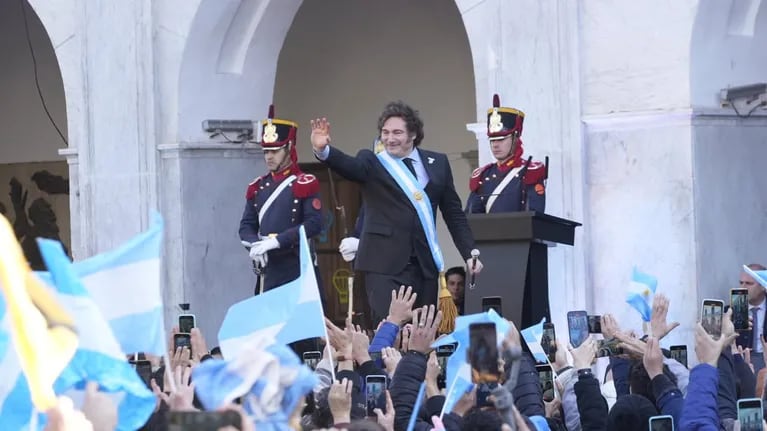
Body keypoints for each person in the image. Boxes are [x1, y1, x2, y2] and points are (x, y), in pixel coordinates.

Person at [311, 101, 483, 325]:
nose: (390, 138)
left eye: (397, 132)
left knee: (422, 334)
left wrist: (469, 252)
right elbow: (350, 167)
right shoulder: (372, 161)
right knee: (391, 331)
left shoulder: (437, 163)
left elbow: (453, 213)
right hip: (384, 266)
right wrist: (323, 151)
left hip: (424, 266)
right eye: (385, 133)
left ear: (413, 134)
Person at [239, 104, 323, 294]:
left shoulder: (304, 182)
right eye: (266, 152)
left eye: (275, 151)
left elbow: (314, 224)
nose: (269, 157)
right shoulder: (257, 186)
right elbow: (246, 226)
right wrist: (254, 245)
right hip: (268, 268)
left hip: (296, 265)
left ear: (289, 147)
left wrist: (277, 241)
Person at [466, 94, 547, 214]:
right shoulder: (483, 175)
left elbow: (534, 216)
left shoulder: (530, 172)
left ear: (515, 138)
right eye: (493, 140)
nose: (495, 145)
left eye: (501, 139)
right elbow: (471, 217)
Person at [736, 263, 767, 373]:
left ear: (763, 286)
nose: (743, 287)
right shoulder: (730, 312)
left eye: (749, 283)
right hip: (741, 361)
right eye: (741, 283)